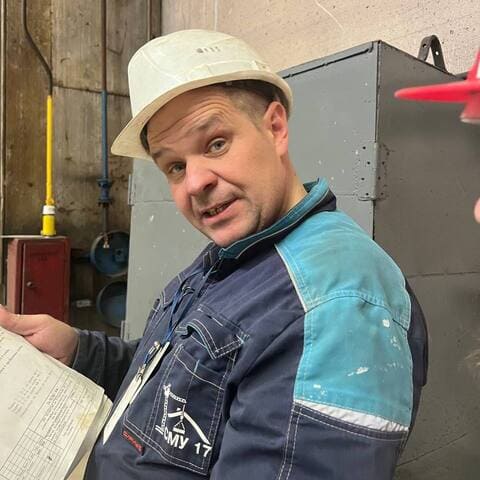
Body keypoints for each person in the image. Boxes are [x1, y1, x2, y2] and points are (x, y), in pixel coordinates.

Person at [0, 29, 428, 479]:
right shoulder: (237, 255)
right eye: (175, 166)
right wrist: (78, 351)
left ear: (275, 127)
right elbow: (180, 384)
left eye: (216, 143)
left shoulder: (334, 305)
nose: (195, 183)